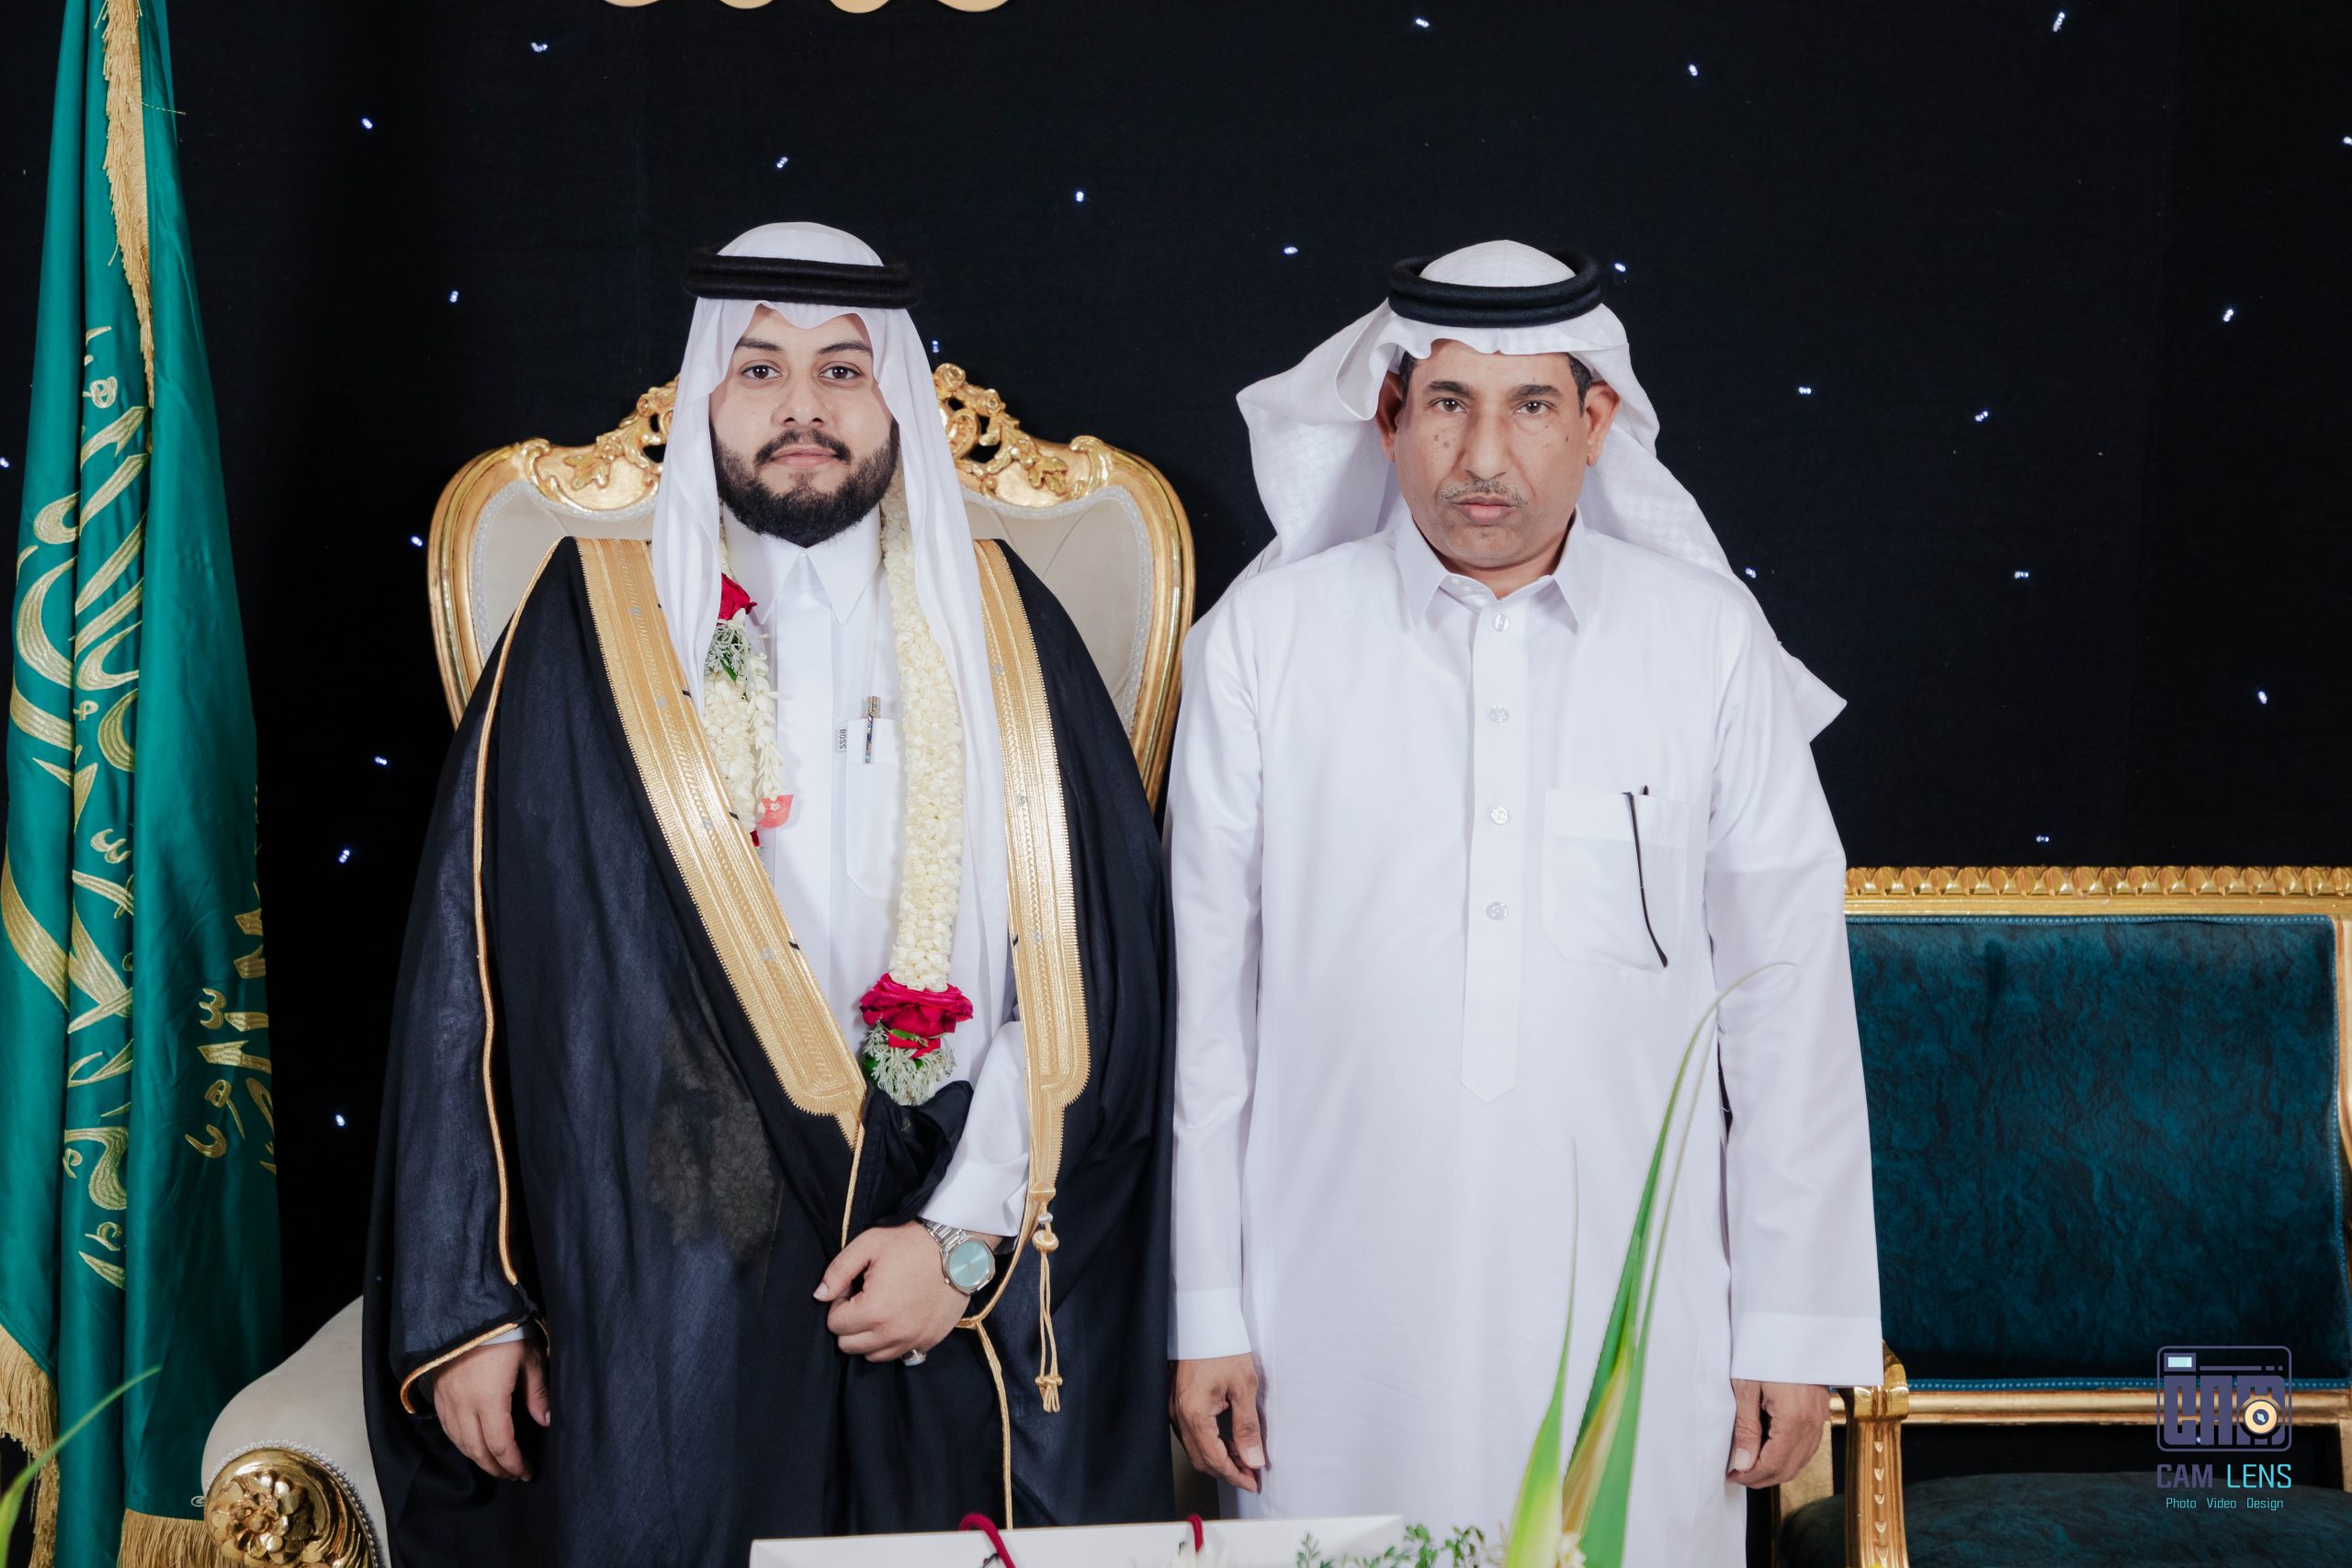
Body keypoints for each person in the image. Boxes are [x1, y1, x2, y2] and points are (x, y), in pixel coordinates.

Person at [363, 222, 1174, 1566]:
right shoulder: (585, 629)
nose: (804, 406)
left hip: (950, 1248)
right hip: (671, 1273)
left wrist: (964, 1237)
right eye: (761, 369)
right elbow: (470, 976)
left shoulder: (1008, 633)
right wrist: (471, 1304)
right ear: (706, 398)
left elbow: (1097, 975)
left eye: (843, 369)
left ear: (896, 399)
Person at [1164, 240, 1881, 1562]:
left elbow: (1787, 1013)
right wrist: (1206, 1310)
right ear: (1389, 415)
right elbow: (1210, 1017)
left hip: (1639, 1319)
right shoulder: (1264, 646)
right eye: (1447, 402)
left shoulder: (1706, 643)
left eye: (1532, 405)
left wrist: (1791, 1324)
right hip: (1328, 1324)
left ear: (1598, 422)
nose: (1483, 455)